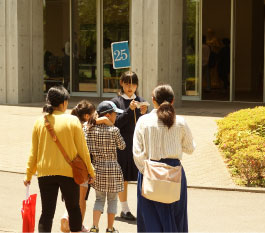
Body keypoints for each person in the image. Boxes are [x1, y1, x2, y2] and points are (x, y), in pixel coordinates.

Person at [23, 86, 95, 233]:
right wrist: (90, 171)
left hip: (45, 173)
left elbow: (33, 152)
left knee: (47, 212)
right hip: (68, 172)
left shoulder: (39, 122)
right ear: (64, 103)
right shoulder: (73, 120)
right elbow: (83, 150)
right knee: (73, 207)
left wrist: (28, 174)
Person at [133, 84, 195, 232]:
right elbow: (190, 149)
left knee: (149, 218)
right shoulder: (180, 121)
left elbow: (137, 152)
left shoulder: (143, 121)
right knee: (175, 216)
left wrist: (148, 171)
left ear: (153, 100)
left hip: (149, 171)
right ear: (172, 101)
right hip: (174, 172)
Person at [60, 100, 113, 232]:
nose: (96, 115)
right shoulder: (86, 126)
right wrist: (104, 121)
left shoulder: (71, 123)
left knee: (72, 196)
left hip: (67, 165)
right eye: (94, 113)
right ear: (87, 116)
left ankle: (68, 217)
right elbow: (109, 123)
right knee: (81, 200)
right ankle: (77, 225)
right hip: (82, 166)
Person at [111, 71, 148, 221]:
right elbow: (116, 122)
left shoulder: (141, 101)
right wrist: (129, 110)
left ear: (137, 85)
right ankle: (124, 209)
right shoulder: (116, 102)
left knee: (143, 176)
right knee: (123, 178)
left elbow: (147, 124)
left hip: (139, 145)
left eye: (132, 84)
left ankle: (145, 208)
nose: (130, 87)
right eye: (126, 83)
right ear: (121, 83)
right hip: (123, 146)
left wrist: (144, 113)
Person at [85, 101, 126, 233]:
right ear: (108, 115)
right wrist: (110, 125)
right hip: (113, 168)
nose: (116, 117)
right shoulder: (114, 130)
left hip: (97, 168)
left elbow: (84, 128)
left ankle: (94, 226)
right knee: (112, 199)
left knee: (99, 198)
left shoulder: (90, 129)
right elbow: (122, 146)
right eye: (115, 114)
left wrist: (97, 122)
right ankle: (109, 228)